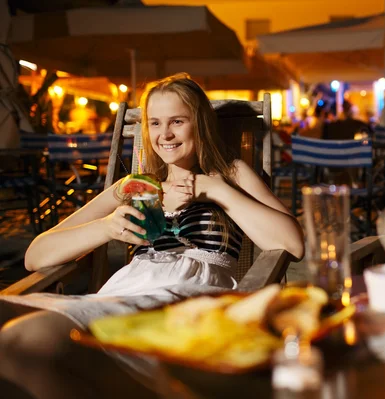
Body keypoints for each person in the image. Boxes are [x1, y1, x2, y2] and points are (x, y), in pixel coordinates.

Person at [0, 73, 305, 399]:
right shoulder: (136, 185)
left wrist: (215, 190)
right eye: (155, 123)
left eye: (177, 121)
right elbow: (36, 257)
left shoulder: (229, 174)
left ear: (199, 123)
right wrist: (107, 227)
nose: (165, 134)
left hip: (185, 302)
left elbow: (292, 243)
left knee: (25, 340)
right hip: (125, 291)